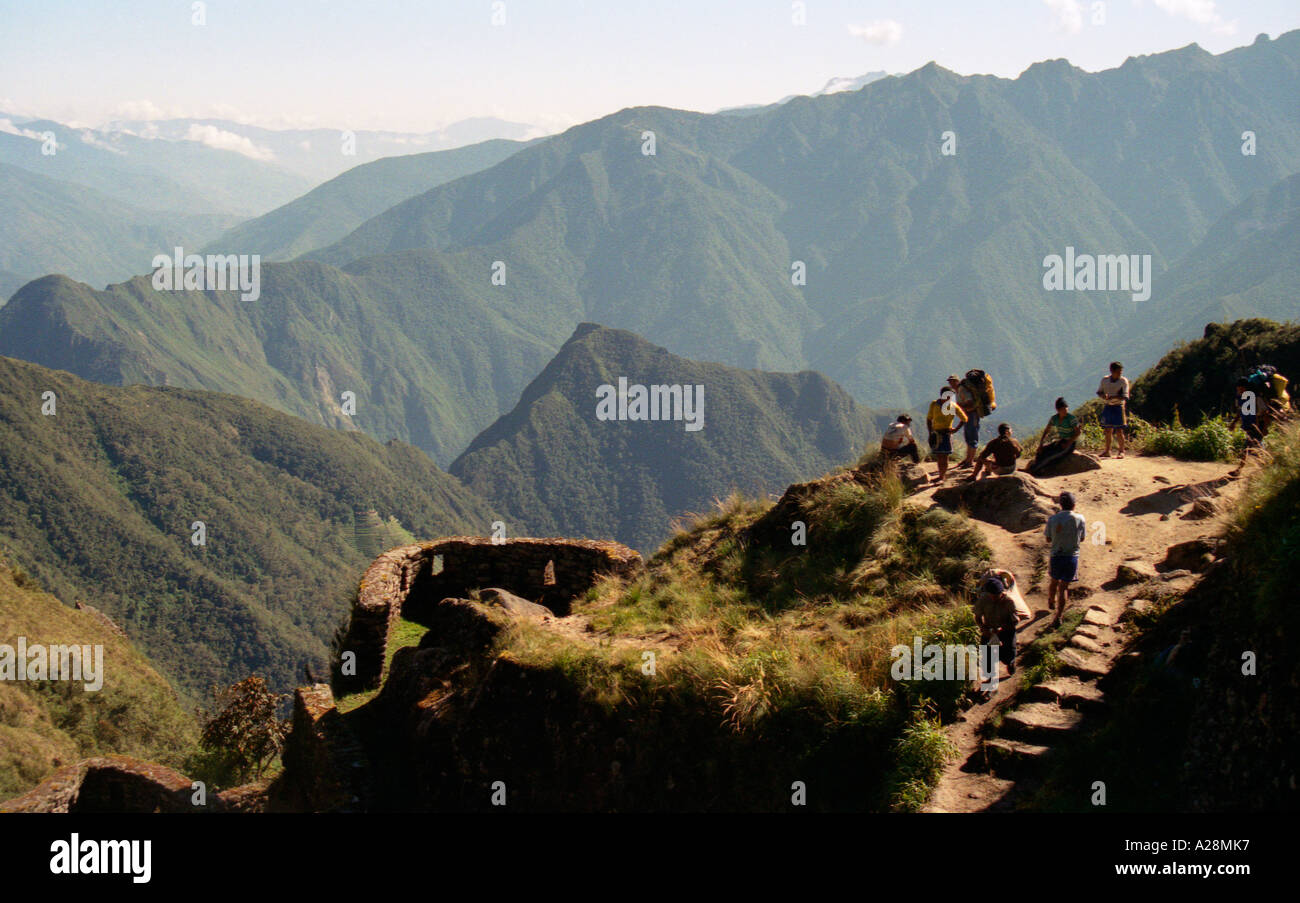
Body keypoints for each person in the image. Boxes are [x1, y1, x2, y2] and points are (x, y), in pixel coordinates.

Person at [972, 570, 1029, 685]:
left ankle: (1010, 663)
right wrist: (983, 628)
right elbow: (977, 616)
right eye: (991, 595)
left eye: (996, 595)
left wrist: (1001, 629)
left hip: (1006, 630)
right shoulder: (983, 600)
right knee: (987, 657)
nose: (993, 598)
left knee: (1007, 655)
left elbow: (1014, 621)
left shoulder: (1009, 602)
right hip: (989, 631)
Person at [1044, 491, 1086, 628]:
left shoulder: (1052, 519)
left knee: (1054, 581)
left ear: (1060, 505)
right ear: (1074, 505)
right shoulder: (1080, 519)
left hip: (1056, 555)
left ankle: (1051, 599)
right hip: (1071, 556)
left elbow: (1048, 539)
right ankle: (1058, 616)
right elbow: (1082, 538)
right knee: (1064, 588)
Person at [1026, 397, 1082, 476]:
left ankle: (1032, 470)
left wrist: (1068, 443)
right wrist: (1041, 444)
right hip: (1061, 441)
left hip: (1070, 444)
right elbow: (1046, 431)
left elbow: (1078, 432)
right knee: (1042, 451)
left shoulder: (1071, 419)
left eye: (1066, 409)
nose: (1065, 411)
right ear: (1058, 410)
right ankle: (1038, 469)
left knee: (1051, 456)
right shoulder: (1054, 418)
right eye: (1063, 410)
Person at [926, 386, 968, 484]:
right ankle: (941, 476)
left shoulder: (953, 406)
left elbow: (964, 419)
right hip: (936, 434)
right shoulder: (934, 404)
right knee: (939, 456)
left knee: (944, 456)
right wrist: (930, 432)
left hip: (946, 434)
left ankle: (942, 477)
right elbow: (929, 419)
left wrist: (956, 429)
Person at [1096, 361, 1130, 458]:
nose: (1120, 373)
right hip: (1108, 406)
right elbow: (1099, 392)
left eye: (1121, 372)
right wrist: (1103, 396)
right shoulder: (1105, 380)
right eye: (1118, 371)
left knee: (1119, 430)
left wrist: (1112, 397)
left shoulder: (1123, 381)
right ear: (1112, 371)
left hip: (1118, 407)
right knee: (1108, 430)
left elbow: (1125, 396)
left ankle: (1121, 451)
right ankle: (1107, 451)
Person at [950, 374, 981, 468]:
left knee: (972, 438)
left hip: (972, 415)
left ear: (957, 381)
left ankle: (970, 461)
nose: (951, 384)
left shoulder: (962, 390)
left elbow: (969, 403)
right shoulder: (958, 391)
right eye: (950, 382)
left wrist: (959, 408)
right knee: (968, 438)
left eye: (953, 381)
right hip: (967, 416)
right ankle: (968, 459)